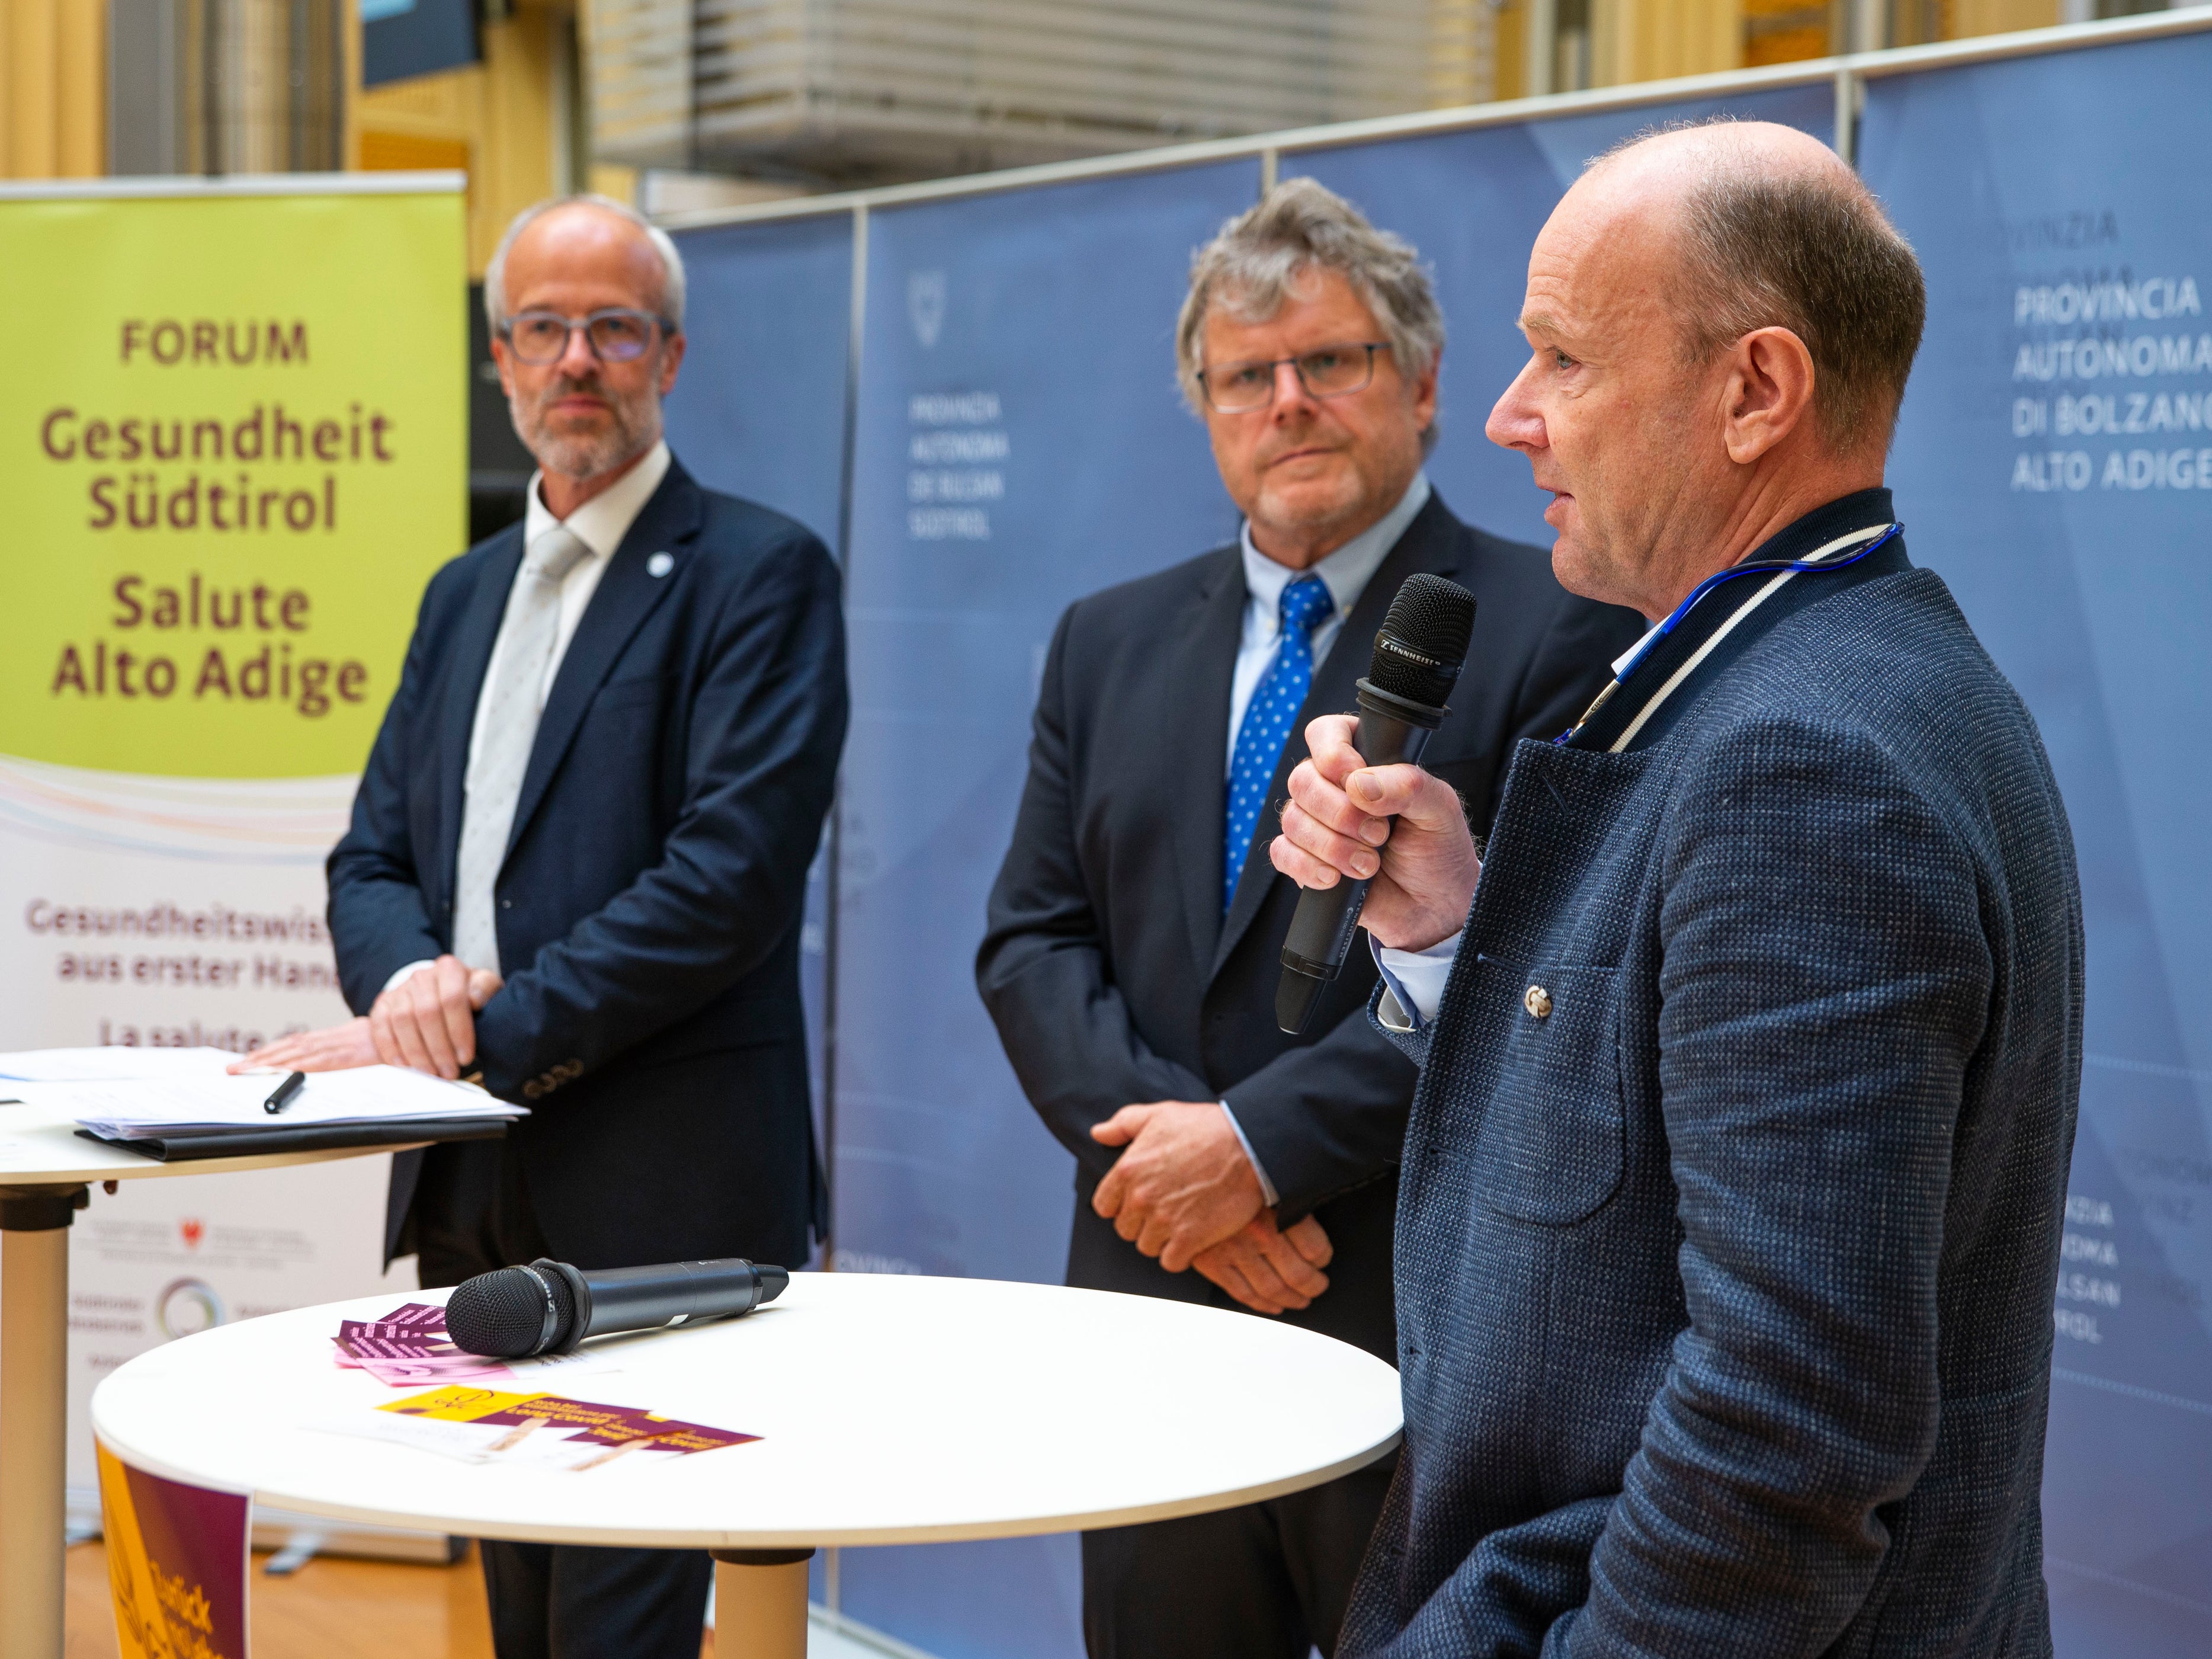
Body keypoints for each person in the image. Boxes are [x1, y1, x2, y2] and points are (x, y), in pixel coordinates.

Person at [1272, 122, 2082, 1655]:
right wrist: (1454, 929)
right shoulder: (1840, 672)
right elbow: (1632, 1196)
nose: (1510, 417)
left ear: (1753, 393)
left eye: (1563, 359)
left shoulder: (1801, 758)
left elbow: (1786, 1432)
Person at [976, 180, 1640, 1659]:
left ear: (1418, 383)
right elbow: (1030, 942)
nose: (1286, 402)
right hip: (1153, 1287)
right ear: (1206, 408)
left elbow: (1540, 972)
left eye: (1327, 361)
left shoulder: (1563, 622)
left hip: (1405, 1303)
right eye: (1244, 375)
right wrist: (1184, 1172)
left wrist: (1260, 1153)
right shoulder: (1105, 637)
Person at [236, 195, 847, 1659]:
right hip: (472, 1180)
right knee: (517, 1607)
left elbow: (726, 884)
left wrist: (477, 1028)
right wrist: (409, 999)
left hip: (661, 1198)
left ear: (671, 357)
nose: (578, 359)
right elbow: (370, 855)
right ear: (499, 358)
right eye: (544, 328)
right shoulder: (461, 593)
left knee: (620, 1622)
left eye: (613, 328)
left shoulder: (759, 575)